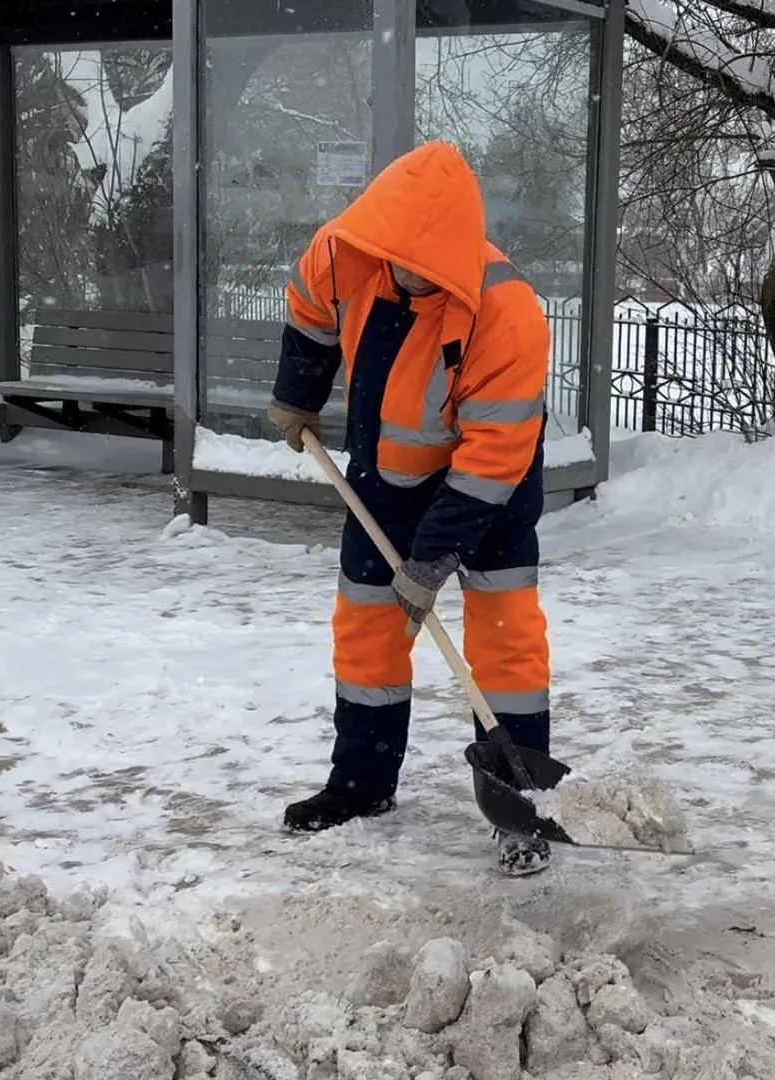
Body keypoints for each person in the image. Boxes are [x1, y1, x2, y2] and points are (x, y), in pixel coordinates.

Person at [265, 140, 555, 877]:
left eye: (424, 270)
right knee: (365, 622)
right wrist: (299, 391)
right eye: (399, 260)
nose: (406, 276)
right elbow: (309, 307)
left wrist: (433, 558)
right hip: (385, 476)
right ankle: (361, 784)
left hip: (490, 482)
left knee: (504, 635)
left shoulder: (508, 314)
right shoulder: (348, 252)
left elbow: (493, 457)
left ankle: (519, 806)